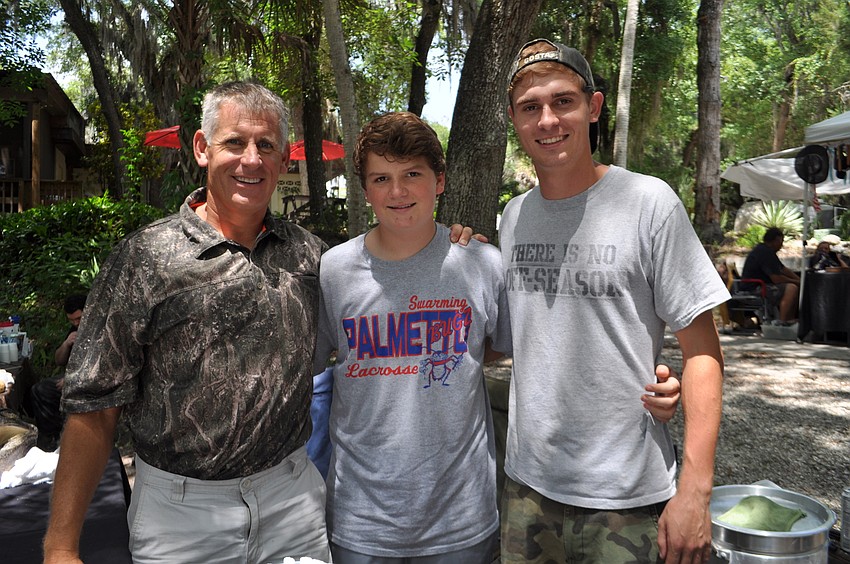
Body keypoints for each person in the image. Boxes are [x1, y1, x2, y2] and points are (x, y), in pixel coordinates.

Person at [314, 112, 683, 564]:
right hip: (360, 522)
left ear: (440, 181)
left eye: (413, 174)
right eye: (381, 178)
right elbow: (314, 368)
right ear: (365, 188)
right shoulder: (333, 271)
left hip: (461, 520)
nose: (398, 191)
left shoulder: (482, 264)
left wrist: (647, 383)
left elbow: (529, 342)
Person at [43, 82, 331, 564]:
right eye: (235, 142)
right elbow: (93, 404)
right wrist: (60, 545)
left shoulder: (312, 257)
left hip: (292, 505)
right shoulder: (146, 259)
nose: (251, 159)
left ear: (284, 159)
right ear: (202, 148)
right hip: (181, 516)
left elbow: (380, 305)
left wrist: (445, 241)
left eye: (266, 145)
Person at [494, 39, 728, 563]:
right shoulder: (512, 218)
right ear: (514, 119)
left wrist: (695, 490)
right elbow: (508, 342)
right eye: (531, 107)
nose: (548, 120)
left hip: (630, 498)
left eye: (563, 102)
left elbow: (704, 353)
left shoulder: (649, 203)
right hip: (528, 493)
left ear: (593, 107)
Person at [24, 294, 86, 451]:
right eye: (71, 320)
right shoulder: (74, 329)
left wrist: (72, 378)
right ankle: (50, 436)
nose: (76, 323)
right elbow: (59, 360)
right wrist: (66, 344)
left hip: (86, 378)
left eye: (78, 319)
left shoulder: (97, 329)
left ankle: (68, 437)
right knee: (39, 390)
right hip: (70, 375)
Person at [741, 227, 800, 323]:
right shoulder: (764, 252)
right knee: (791, 288)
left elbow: (783, 269)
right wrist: (796, 281)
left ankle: (791, 319)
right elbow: (777, 279)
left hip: (762, 285)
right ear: (776, 240)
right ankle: (783, 321)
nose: (782, 245)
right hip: (753, 288)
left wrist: (799, 279)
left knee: (795, 286)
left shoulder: (768, 251)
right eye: (781, 241)